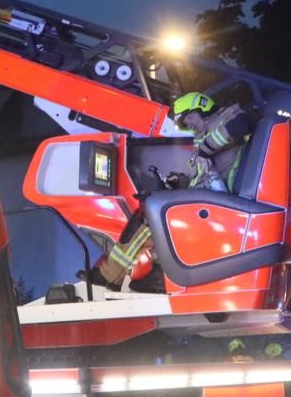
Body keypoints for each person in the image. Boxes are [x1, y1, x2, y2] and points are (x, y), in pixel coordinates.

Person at [87, 91, 253, 292]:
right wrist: (180, 183)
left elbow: (244, 123)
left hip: (220, 202)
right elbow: (206, 174)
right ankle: (154, 273)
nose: (189, 125)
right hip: (214, 198)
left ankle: (116, 275)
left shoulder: (228, 116)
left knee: (152, 217)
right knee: (152, 210)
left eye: (188, 118)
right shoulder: (206, 131)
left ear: (201, 108)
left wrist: (206, 149)